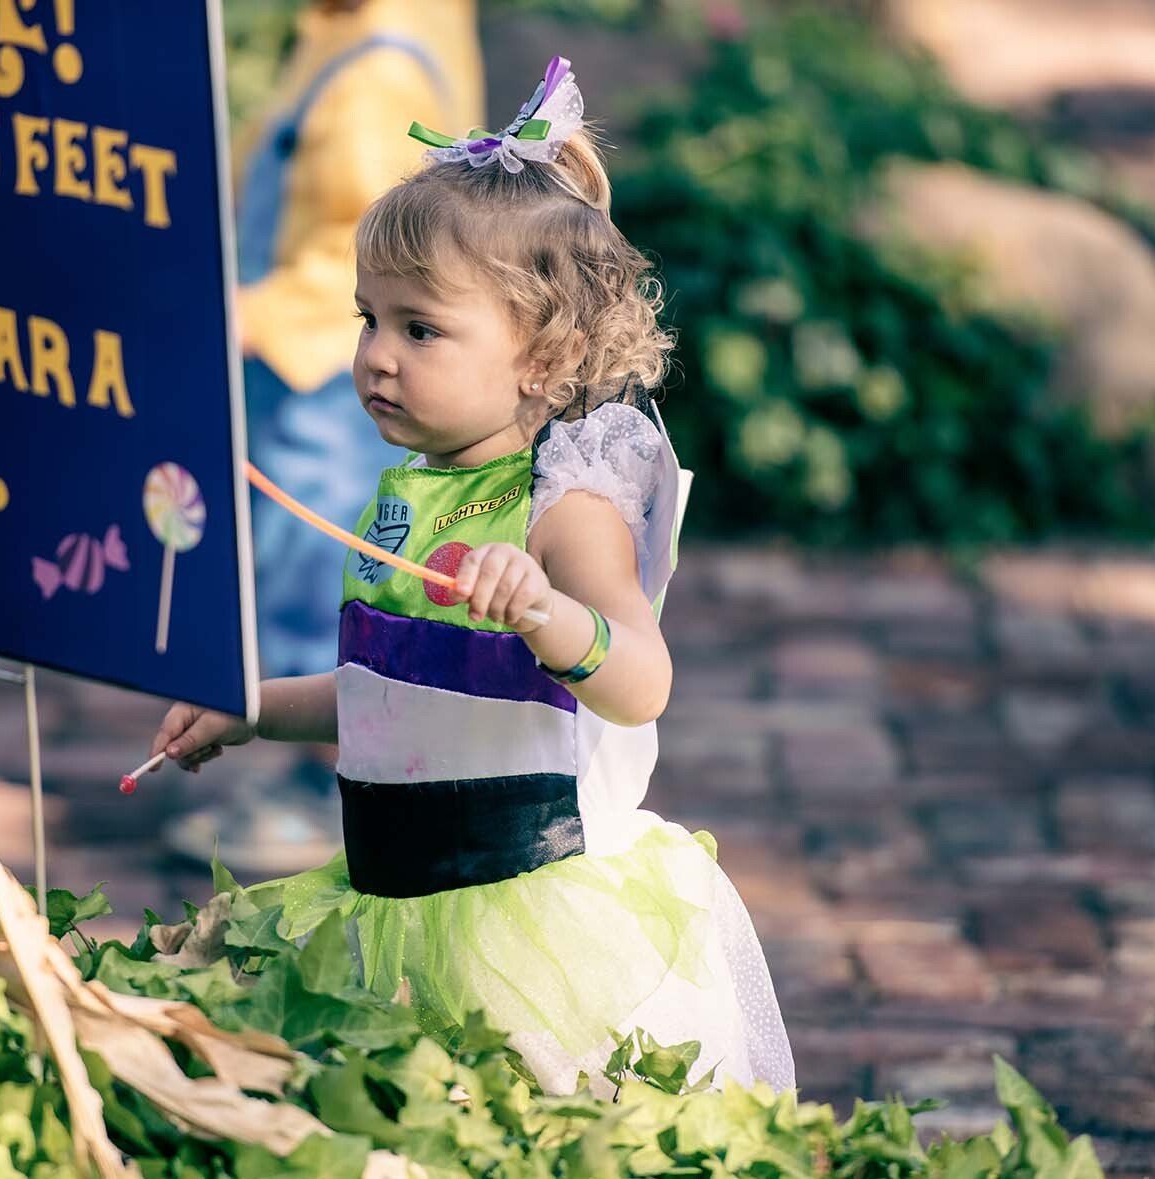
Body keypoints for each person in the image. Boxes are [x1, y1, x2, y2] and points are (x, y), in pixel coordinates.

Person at [150, 57, 796, 1096]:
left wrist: (546, 611)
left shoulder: (560, 506)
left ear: (540, 358)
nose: (375, 356)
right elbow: (392, 699)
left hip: (519, 923)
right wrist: (255, 711)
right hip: (387, 905)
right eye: (368, 319)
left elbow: (641, 684)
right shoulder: (405, 492)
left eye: (419, 329)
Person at [164, 0, 484, 876]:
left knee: (321, 567)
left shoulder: (380, 67)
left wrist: (244, 311)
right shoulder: (356, 28)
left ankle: (327, 789)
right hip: (304, 368)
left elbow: (367, 240)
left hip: (323, 375)